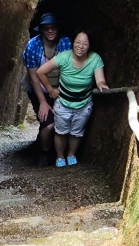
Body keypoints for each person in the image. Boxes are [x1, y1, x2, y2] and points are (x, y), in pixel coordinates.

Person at [37, 30, 108, 167]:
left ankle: (71, 155)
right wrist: (51, 90)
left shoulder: (95, 59)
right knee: (61, 132)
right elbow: (41, 71)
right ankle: (59, 157)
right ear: (73, 43)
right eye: (77, 42)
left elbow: (100, 80)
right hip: (63, 103)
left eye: (84, 44)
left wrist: (101, 84)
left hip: (83, 104)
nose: (80, 46)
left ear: (89, 46)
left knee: (76, 133)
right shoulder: (64, 57)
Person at [22, 14, 71, 164]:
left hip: (60, 89)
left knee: (64, 121)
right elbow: (33, 77)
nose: (50, 31)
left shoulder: (65, 43)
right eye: (46, 28)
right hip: (39, 91)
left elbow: (68, 70)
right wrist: (43, 102)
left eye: (53, 27)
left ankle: (61, 154)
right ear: (41, 30)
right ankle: (44, 153)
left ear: (57, 28)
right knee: (48, 124)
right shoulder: (32, 46)